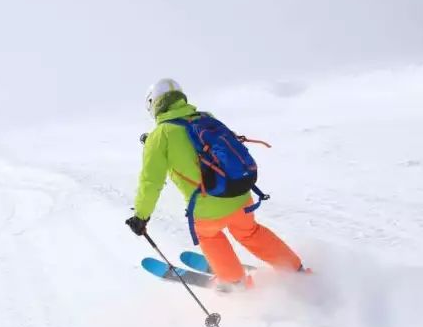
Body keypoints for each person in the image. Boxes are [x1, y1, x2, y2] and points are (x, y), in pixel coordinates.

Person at [126, 78, 309, 288]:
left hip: (207, 209)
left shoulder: (160, 137)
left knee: (209, 236)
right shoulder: (205, 117)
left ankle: (236, 282)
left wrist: (141, 216)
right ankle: (295, 269)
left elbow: (151, 181)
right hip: (239, 194)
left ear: (153, 104)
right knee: (250, 232)